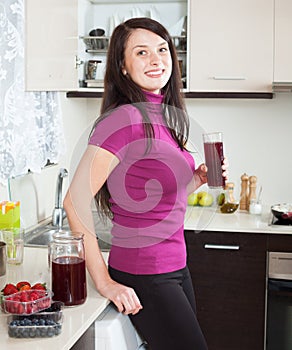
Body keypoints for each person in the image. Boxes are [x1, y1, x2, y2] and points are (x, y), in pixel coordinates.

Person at [64, 17, 227, 350]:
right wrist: (105, 282)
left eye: (162, 49)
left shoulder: (163, 115)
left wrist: (196, 178)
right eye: (141, 52)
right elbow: (74, 201)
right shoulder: (124, 119)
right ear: (122, 67)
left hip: (176, 266)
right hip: (146, 272)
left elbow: (153, 196)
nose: (156, 59)